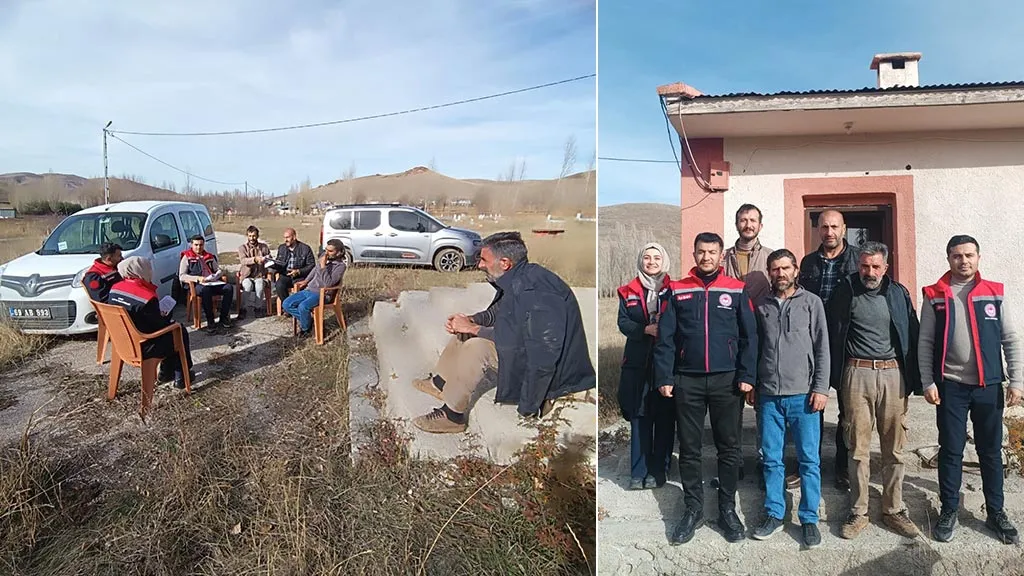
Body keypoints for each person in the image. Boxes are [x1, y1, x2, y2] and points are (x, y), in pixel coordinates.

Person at [410, 231, 595, 434]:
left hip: (558, 378)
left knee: (477, 346)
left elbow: (543, 355)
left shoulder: (536, 292)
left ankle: (452, 416)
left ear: (505, 262)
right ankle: (440, 384)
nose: (479, 265)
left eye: (483, 259)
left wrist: (529, 406)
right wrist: (472, 320)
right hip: (524, 349)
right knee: (466, 331)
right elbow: (499, 313)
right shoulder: (517, 278)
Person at [654, 232, 758, 545]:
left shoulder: (736, 290)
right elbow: (666, 338)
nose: (706, 257)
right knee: (689, 447)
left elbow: (749, 337)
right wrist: (665, 377)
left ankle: (727, 508)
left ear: (720, 254)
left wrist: (747, 374)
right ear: (694, 253)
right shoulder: (677, 289)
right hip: (688, 379)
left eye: (712, 252)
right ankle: (693, 509)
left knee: (729, 447)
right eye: (701, 252)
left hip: (728, 381)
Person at [920, 235, 1022, 545]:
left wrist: (1017, 381)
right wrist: (928, 381)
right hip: (950, 387)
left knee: (990, 452)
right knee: (950, 451)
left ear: (978, 257)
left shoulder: (995, 292)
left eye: (969, 255)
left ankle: (996, 512)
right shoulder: (935, 294)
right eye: (957, 256)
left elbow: (1011, 339)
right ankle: (949, 510)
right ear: (948, 259)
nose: (963, 261)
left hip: (988, 386)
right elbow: (925, 341)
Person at [826, 241, 921, 540]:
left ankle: (894, 509)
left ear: (886, 268)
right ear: (858, 265)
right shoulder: (845, 292)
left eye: (876, 266)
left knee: (894, 447)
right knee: (857, 446)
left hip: (893, 375)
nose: (869, 272)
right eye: (865, 266)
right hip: (856, 374)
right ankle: (859, 510)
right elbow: (830, 332)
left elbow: (913, 334)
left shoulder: (898, 293)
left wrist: (916, 379)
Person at [750, 249, 829, 548]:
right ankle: (774, 513)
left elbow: (822, 348)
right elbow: (755, 348)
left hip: (804, 396)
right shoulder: (761, 306)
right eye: (775, 269)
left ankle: (809, 519)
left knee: (809, 460)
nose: (780, 273)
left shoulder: (812, 303)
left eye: (786, 268)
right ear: (769, 272)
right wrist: (755, 385)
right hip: (769, 396)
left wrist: (820, 388)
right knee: (771, 459)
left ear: (796, 270)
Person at [799, 209, 861, 490]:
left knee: (848, 410)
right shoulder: (808, 262)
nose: (829, 232)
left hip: (848, 342)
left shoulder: (859, 260)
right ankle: (809, 465)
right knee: (812, 406)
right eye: (824, 227)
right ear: (819, 230)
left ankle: (842, 467)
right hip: (813, 344)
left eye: (834, 226)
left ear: (844, 229)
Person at [722, 203, 773, 487]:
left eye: (753, 219)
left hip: (762, 338)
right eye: (743, 219)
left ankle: (765, 460)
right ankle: (735, 461)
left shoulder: (770, 258)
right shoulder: (723, 258)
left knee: (763, 403)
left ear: (760, 225)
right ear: (737, 223)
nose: (748, 224)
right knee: (733, 404)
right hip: (731, 337)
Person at [617, 242, 675, 490]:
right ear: (641, 260)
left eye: (656, 258)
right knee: (640, 416)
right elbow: (623, 322)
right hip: (637, 364)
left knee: (664, 417)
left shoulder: (675, 290)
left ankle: (658, 470)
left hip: (665, 364)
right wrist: (644, 330)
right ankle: (637, 471)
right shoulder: (627, 290)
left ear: (665, 261)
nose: (651, 262)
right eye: (647, 258)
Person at [108, 257, 195, 388]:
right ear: (139, 271)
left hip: (122, 340)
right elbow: (159, 325)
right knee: (178, 331)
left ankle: (167, 373)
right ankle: (182, 375)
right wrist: (164, 315)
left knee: (173, 331)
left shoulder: (115, 289)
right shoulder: (146, 296)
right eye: (148, 268)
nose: (150, 271)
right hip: (144, 345)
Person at [281, 239, 347, 338]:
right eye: (326, 250)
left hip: (323, 294)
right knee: (286, 304)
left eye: (330, 251)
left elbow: (328, 284)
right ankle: (309, 321)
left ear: (338, 252)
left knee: (303, 307)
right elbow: (314, 270)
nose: (327, 253)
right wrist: (306, 281)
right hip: (310, 289)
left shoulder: (340, 266)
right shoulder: (323, 258)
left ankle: (305, 329)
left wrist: (323, 266)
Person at [178, 235, 234, 333]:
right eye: (196, 245)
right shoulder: (187, 257)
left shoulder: (209, 256)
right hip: (197, 285)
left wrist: (218, 274)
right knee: (206, 291)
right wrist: (198, 278)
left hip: (212, 282)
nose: (198, 247)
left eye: (201, 245)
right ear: (191, 245)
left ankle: (223, 317)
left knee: (228, 288)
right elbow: (182, 276)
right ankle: (210, 321)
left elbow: (217, 269)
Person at [272, 228, 316, 307]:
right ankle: (288, 306)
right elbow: (279, 263)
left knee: (302, 287)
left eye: (288, 237)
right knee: (279, 285)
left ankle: (297, 307)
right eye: (284, 238)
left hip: (300, 275)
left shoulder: (305, 249)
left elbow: (311, 265)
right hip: (286, 275)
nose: (286, 240)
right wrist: (272, 264)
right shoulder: (282, 248)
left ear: (294, 237)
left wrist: (299, 271)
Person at [237, 225, 272, 319]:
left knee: (259, 285)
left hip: (260, 275)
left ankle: (258, 308)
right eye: (250, 236)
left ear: (257, 236)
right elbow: (243, 261)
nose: (252, 238)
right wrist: (255, 259)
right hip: (247, 275)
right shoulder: (242, 248)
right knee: (247, 286)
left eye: (254, 236)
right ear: (247, 236)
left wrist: (266, 259)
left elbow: (270, 260)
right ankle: (243, 309)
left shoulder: (263, 247)